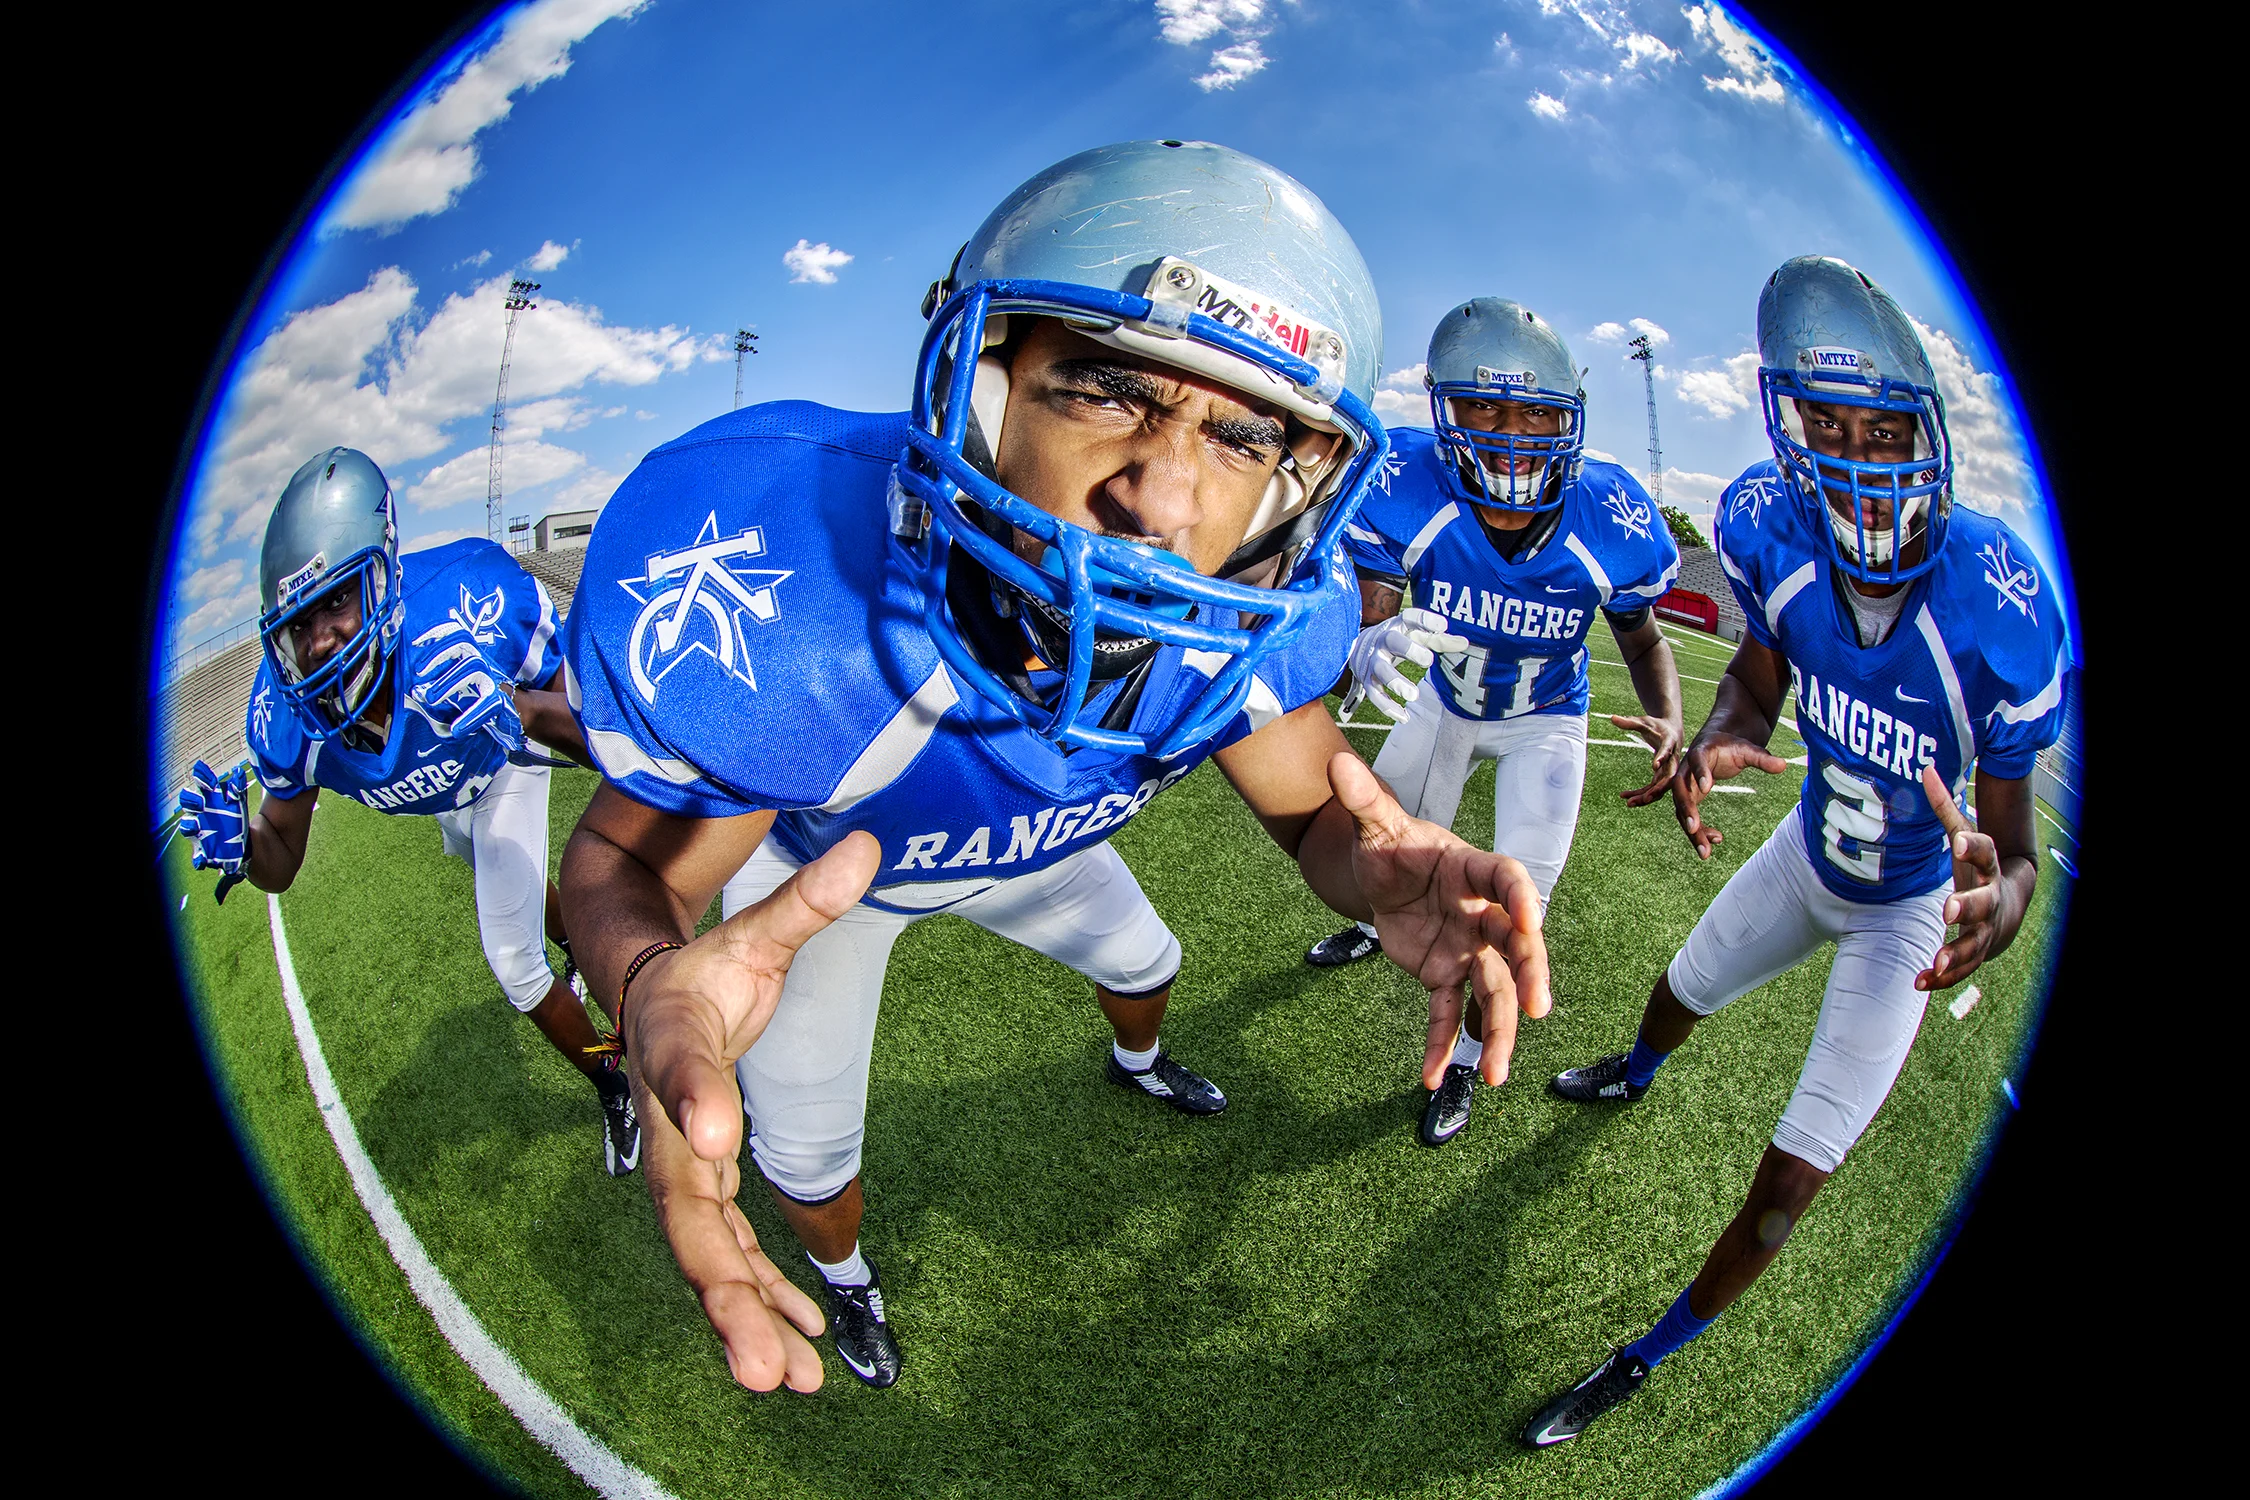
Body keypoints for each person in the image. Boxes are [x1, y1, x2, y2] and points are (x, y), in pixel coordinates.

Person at [554, 140, 1554, 1394]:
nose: (1165, 498)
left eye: (1242, 436)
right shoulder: (806, 618)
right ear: (986, 385)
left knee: (1149, 963)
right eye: (1106, 390)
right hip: (827, 892)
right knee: (803, 1155)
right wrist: (648, 979)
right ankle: (851, 1286)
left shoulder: (1246, 625)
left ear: (1299, 483)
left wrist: (1381, 871)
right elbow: (612, 859)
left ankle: (1136, 1062)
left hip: (1046, 853)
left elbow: (1318, 827)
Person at [1520, 256, 2067, 1447]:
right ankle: (1635, 1073)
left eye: (1882, 426)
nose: (1858, 455)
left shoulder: (2000, 602)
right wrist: (1717, 741)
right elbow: (1755, 688)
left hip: (1905, 912)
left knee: (1787, 1187)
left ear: (1929, 429)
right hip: (1809, 858)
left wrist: (2004, 903)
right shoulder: (1769, 526)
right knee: (1677, 991)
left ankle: (1639, 1360)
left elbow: (2013, 848)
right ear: (1784, 425)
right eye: (1827, 423)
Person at [175, 447, 642, 1178]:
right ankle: (577, 946)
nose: (321, 638)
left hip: (497, 767)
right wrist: (247, 848)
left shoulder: (470, 599)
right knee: (492, 871)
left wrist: (518, 708)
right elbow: (282, 860)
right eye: (300, 621)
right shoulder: (283, 713)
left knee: (512, 961)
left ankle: (612, 1080)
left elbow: (608, 739)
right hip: (444, 803)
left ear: (385, 575)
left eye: (336, 601)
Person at [1306, 298, 1682, 1149]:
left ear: (1570, 418)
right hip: (1442, 702)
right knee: (1379, 841)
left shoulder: (1610, 519)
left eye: (1536, 411)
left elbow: (1644, 636)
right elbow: (1367, 613)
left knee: (1517, 914)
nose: (1511, 432)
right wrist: (1362, 640)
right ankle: (1371, 925)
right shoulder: (1405, 483)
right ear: (1444, 407)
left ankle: (1467, 1064)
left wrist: (1667, 720)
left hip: (1547, 722)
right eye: (1483, 405)